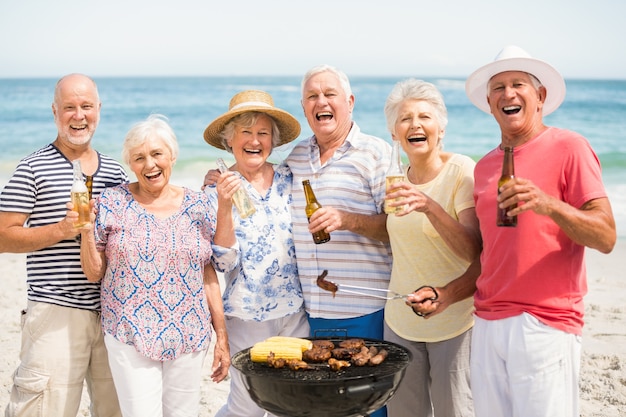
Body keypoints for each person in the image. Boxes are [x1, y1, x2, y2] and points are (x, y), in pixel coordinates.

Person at [464, 45, 616, 416]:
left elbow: (607, 237)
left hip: (545, 322)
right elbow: (487, 252)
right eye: (498, 87)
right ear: (489, 101)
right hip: (485, 321)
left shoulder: (570, 147)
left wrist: (548, 204)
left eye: (518, 84)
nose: (508, 94)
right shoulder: (484, 166)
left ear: (540, 97)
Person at [79, 114, 234, 417]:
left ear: (172, 156)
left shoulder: (199, 204)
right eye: (139, 157)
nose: (149, 164)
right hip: (129, 332)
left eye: (156, 154)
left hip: (189, 333)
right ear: (131, 164)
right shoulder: (112, 202)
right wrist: (86, 229)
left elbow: (208, 272)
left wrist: (222, 337)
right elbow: (94, 272)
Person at [0, 74, 126, 417]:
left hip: (112, 315)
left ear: (99, 109)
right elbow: (2, 236)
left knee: (116, 410)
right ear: (55, 112)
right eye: (69, 107)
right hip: (56, 310)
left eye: (86, 106)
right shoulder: (32, 167)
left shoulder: (116, 172)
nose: (79, 115)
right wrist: (61, 229)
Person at [286, 65, 393, 417]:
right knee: (324, 408)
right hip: (311, 314)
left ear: (349, 101)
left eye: (330, 94)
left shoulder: (377, 153)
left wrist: (349, 220)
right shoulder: (295, 158)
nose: (321, 101)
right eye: (312, 96)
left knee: (368, 407)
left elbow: (398, 228)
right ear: (304, 108)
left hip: (365, 311)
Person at [202, 90, 310, 417]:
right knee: (247, 405)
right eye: (246, 132)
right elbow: (222, 262)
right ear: (229, 140)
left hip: (294, 310)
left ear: (273, 142)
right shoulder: (214, 188)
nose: (255, 140)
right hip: (246, 314)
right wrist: (223, 205)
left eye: (263, 133)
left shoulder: (289, 179)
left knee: (292, 402)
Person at [382, 78, 481, 417]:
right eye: (405, 118)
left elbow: (474, 251)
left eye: (425, 116)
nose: (415, 125)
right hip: (399, 321)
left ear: (440, 128)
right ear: (395, 133)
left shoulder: (461, 171)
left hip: (454, 322)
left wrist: (430, 207)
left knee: (456, 411)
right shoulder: (394, 178)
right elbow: (392, 235)